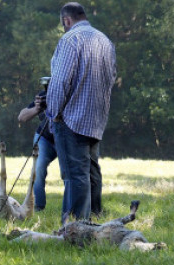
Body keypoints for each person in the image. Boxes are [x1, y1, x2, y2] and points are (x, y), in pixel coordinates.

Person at [46, 2, 116, 220]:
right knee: (92, 171)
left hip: (71, 119)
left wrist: (54, 113)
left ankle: (76, 225)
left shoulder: (70, 39)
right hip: (96, 118)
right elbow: (111, 77)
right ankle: (95, 218)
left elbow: (60, 82)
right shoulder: (105, 40)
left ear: (67, 20)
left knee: (75, 174)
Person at [18, 87, 59, 212]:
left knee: (68, 172)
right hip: (44, 138)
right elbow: (22, 117)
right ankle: (38, 207)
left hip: (66, 140)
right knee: (38, 168)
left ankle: (73, 209)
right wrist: (37, 108)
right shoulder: (46, 94)